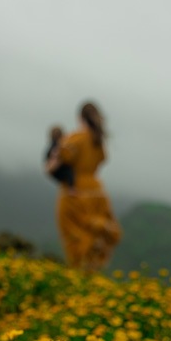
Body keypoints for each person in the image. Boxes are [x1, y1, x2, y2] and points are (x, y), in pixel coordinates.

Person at [51, 102, 121, 271]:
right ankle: (91, 271)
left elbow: (62, 154)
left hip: (75, 188)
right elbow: (103, 158)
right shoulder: (99, 141)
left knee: (75, 233)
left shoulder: (77, 137)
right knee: (94, 231)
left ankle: (79, 272)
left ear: (80, 118)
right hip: (97, 191)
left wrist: (52, 160)